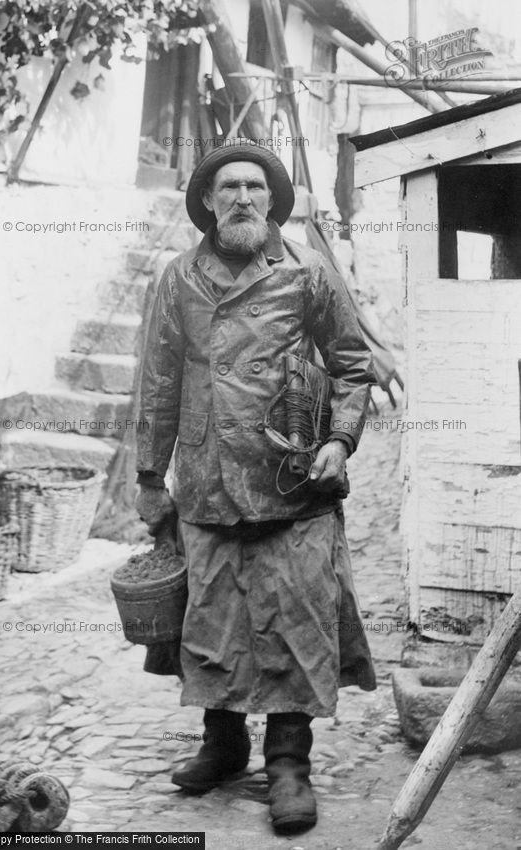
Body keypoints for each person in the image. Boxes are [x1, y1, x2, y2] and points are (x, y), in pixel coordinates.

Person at [135, 143, 376, 835]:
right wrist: (151, 478)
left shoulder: (307, 273)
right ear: (208, 201)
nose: (242, 197)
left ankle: (289, 762)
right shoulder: (178, 278)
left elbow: (353, 366)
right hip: (208, 479)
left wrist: (339, 439)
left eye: (254, 186)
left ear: (271, 199)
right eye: (228, 187)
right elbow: (156, 384)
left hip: (293, 483)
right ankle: (222, 740)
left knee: (296, 619)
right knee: (213, 621)